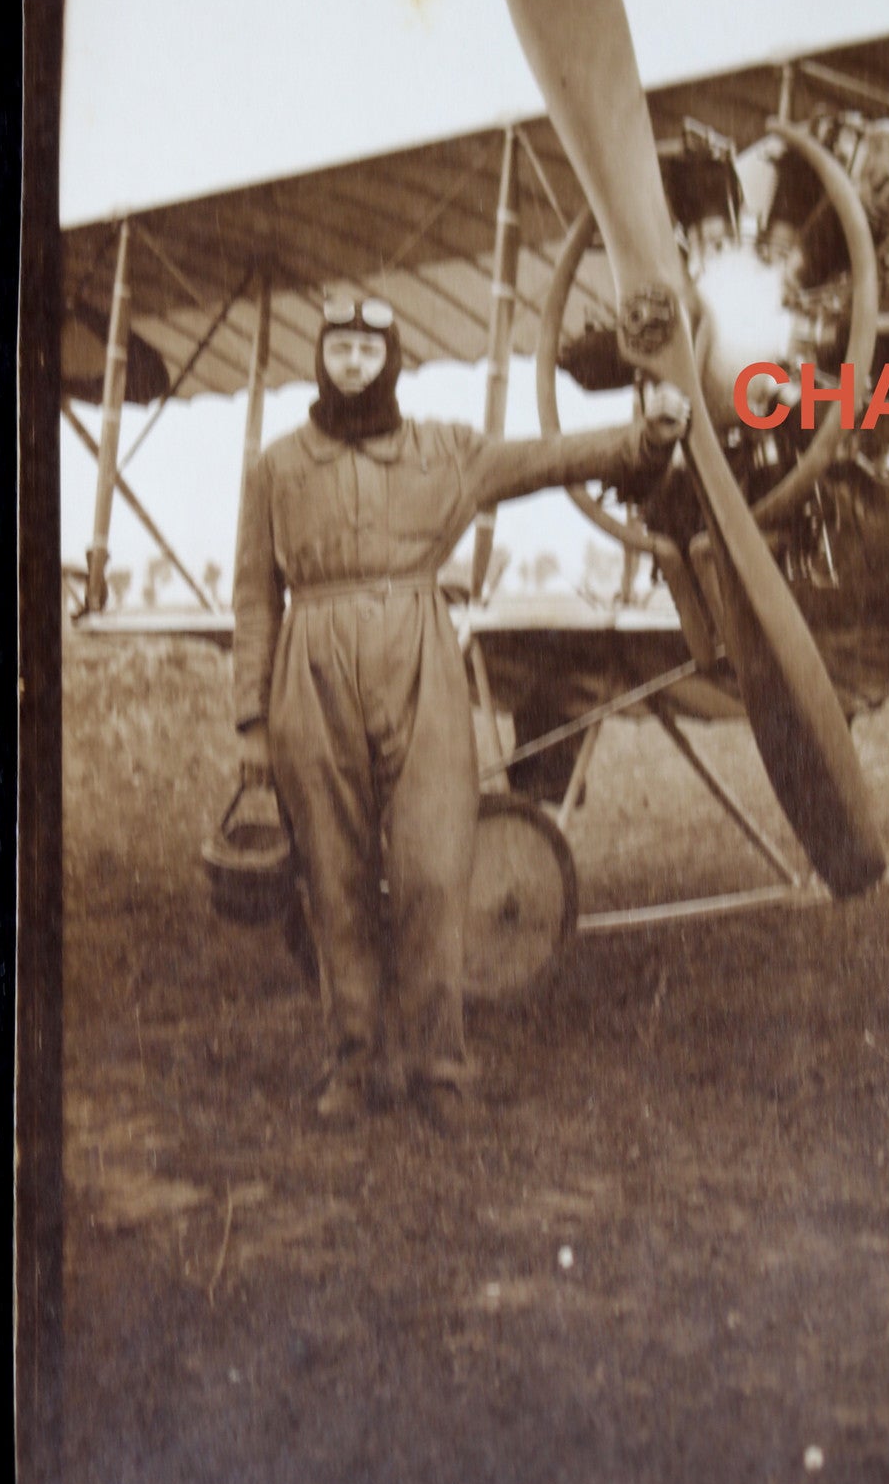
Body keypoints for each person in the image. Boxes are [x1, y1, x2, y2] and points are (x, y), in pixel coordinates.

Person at [233, 291, 689, 1133]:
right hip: (311, 671)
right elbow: (255, 597)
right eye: (339, 348)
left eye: (369, 350)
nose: (353, 363)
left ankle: (439, 1068)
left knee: (435, 873)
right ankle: (353, 1062)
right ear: (321, 357)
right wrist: (252, 722)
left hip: (421, 661)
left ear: (391, 360)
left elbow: (546, 460)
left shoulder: (444, 451)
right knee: (332, 877)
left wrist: (643, 439)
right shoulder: (276, 467)